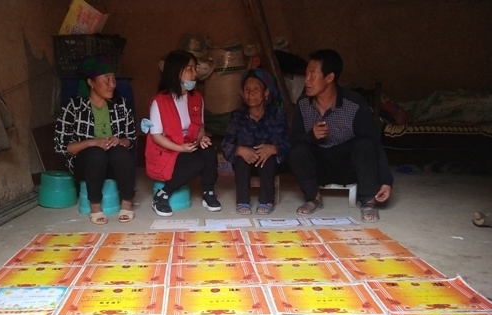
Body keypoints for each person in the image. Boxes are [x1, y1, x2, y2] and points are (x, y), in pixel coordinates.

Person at [287, 49, 393, 222]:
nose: (306, 80)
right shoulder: (303, 103)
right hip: (317, 169)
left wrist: (386, 181)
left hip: (348, 168)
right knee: (297, 150)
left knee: (365, 143)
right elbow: (294, 140)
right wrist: (311, 135)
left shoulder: (354, 103)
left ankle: (368, 200)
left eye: (312, 74)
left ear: (329, 77)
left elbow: (374, 143)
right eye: (306, 74)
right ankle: (313, 197)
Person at [55, 54, 137, 225]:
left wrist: (120, 141)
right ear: (91, 82)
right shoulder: (74, 107)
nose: (112, 84)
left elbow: (131, 139)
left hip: (114, 164)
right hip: (86, 166)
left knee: (121, 152)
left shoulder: (120, 105)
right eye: (106, 80)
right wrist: (93, 142)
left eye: (113, 79)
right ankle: (95, 206)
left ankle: (127, 203)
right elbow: (62, 146)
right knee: (96, 154)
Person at [144, 49, 221, 217]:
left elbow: (200, 127)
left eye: (195, 68)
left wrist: (202, 138)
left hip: (188, 145)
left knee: (209, 152)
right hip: (166, 149)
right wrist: (180, 148)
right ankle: (162, 195)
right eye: (190, 69)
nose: (195, 74)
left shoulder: (197, 98)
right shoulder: (159, 101)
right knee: (195, 162)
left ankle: (208, 192)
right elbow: (156, 136)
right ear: (177, 72)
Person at [222, 68, 289, 215]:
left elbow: (286, 143)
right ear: (242, 94)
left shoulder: (277, 115)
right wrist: (239, 150)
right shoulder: (237, 116)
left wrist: (273, 149)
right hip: (244, 164)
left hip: (270, 164)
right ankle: (242, 200)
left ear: (266, 92)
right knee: (241, 159)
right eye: (247, 90)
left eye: (256, 89)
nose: (250, 94)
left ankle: (266, 200)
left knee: (267, 158)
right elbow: (226, 144)